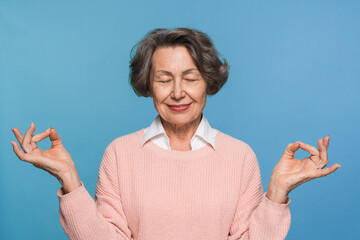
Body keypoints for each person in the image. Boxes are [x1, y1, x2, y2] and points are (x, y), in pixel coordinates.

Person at [10, 28, 341, 240]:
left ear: (209, 82)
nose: (178, 92)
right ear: (148, 85)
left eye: (191, 78)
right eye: (164, 79)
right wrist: (69, 178)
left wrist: (277, 192)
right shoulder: (120, 153)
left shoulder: (239, 156)